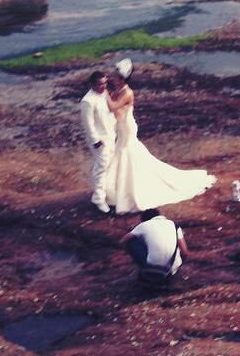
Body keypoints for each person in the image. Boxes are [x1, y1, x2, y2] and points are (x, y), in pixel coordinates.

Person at [103, 58, 215, 214]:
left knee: (128, 154)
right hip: (122, 128)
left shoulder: (127, 92)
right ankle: (122, 189)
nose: (113, 78)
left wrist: (103, 92)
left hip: (127, 129)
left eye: (116, 76)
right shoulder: (119, 91)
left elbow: (113, 106)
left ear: (122, 79)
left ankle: (130, 190)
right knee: (126, 156)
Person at [80, 71, 117, 214]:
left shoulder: (104, 94)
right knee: (100, 169)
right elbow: (88, 124)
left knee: (109, 167)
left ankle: (108, 195)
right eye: (100, 84)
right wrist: (96, 141)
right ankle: (99, 199)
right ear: (92, 84)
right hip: (100, 142)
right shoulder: (87, 101)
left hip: (110, 137)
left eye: (105, 83)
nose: (104, 86)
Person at [120, 208, 188, 279]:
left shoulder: (144, 225)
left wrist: (126, 250)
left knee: (131, 241)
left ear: (145, 219)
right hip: (171, 269)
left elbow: (122, 241)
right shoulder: (175, 225)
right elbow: (185, 252)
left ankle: (144, 269)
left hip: (151, 268)